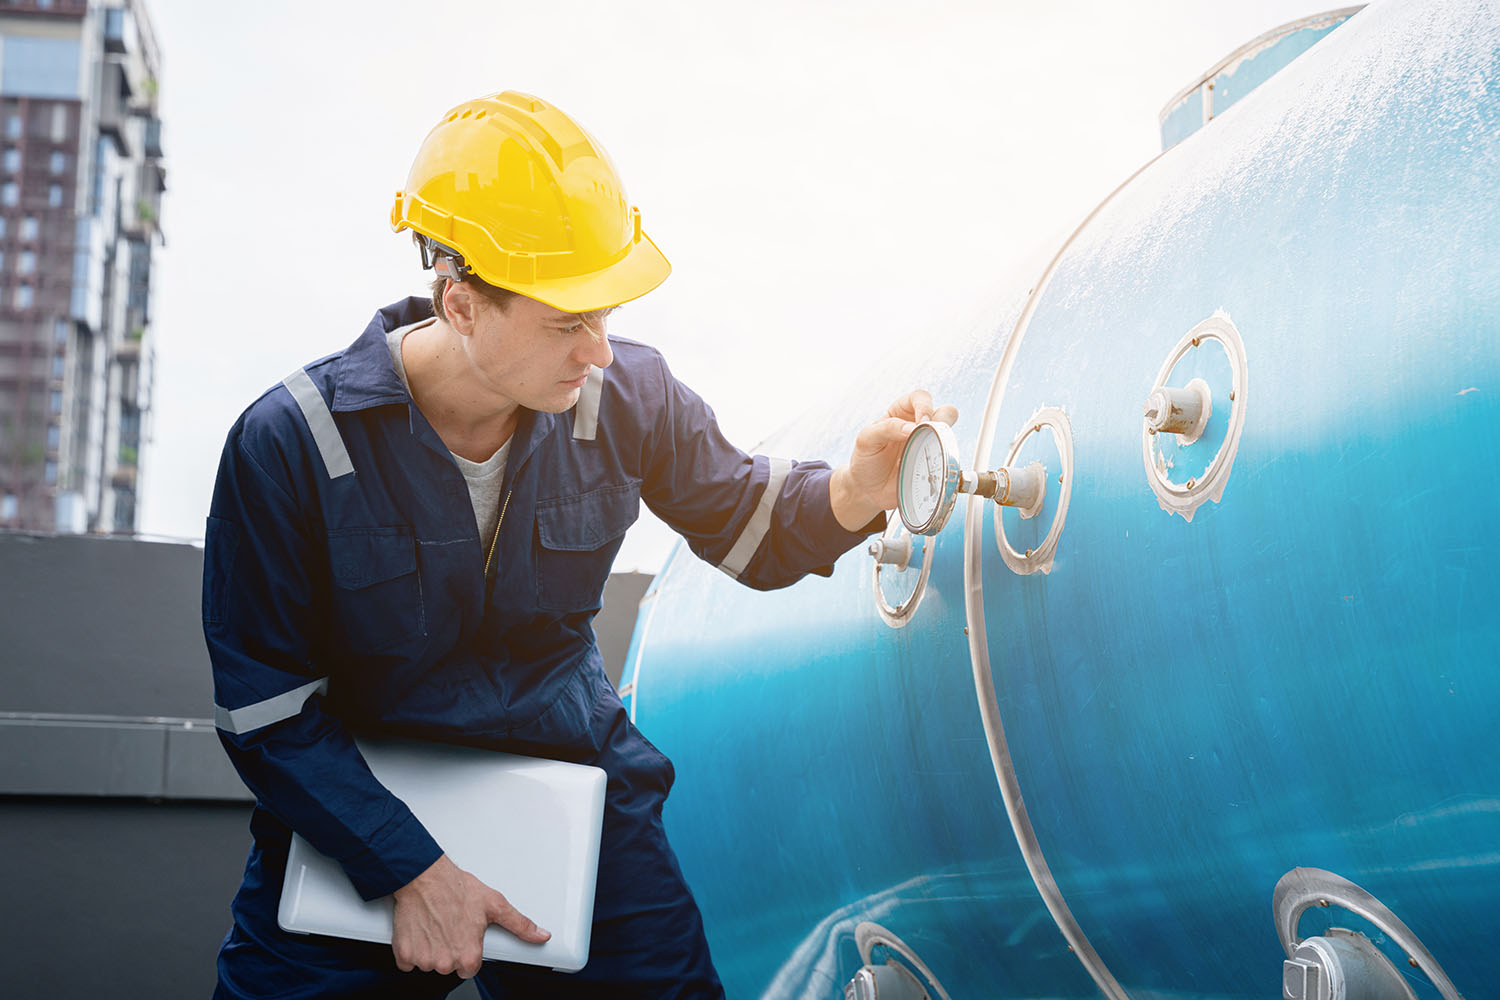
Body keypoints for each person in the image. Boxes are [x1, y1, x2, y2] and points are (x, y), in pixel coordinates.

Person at [204, 90, 957, 999]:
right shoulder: (294, 443)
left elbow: (752, 529)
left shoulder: (628, 396)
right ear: (461, 304)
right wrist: (409, 868)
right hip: (361, 818)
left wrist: (855, 490)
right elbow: (267, 714)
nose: (599, 350)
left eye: (605, 312)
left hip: (573, 795)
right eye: (569, 321)